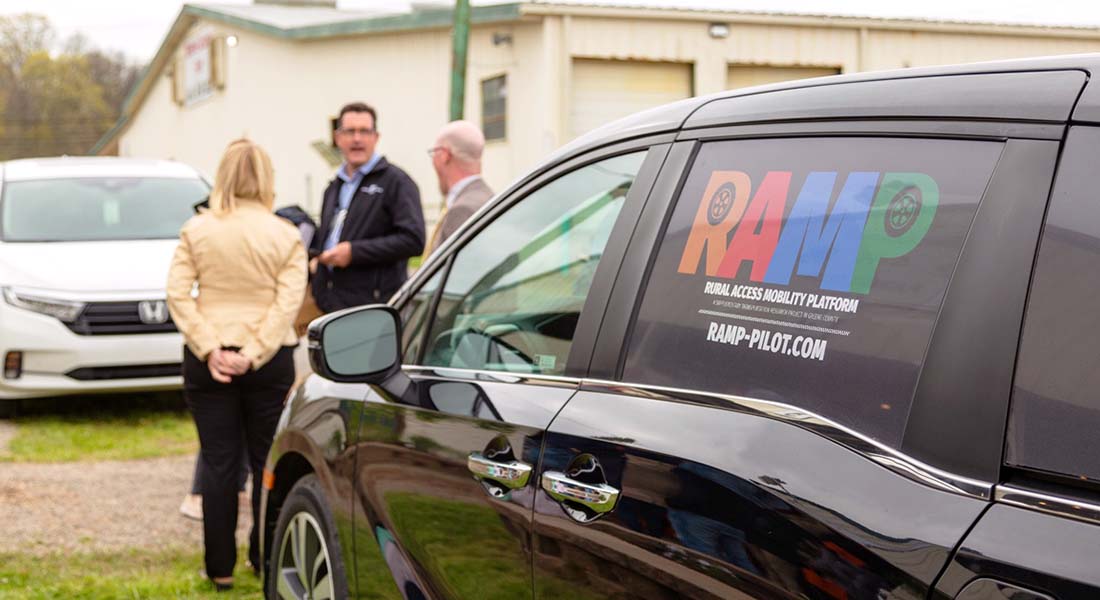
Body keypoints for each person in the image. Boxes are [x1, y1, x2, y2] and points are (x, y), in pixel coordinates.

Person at [166, 139, 307, 592]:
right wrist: (256, 351)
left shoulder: (197, 229)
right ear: (267, 179)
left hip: (208, 360)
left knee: (219, 460)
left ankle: (219, 566)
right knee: (266, 459)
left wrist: (210, 348)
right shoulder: (285, 233)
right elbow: (289, 303)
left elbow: (177, 295)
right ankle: (263, 558)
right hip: (268, 362)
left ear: (222, 176)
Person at [310, 102, 425, 312]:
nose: (357, 139)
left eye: (364, 131)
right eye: (350, 131)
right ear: (338, 138)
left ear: (376, 137)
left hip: (374, 309)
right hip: (332, 306)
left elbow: (413, 240)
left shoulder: (396, 182)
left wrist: (354, 252)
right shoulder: (333, 188)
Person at [426, 120, 494, 254]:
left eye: (434, 153)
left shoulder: (462, 210)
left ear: (445, 155)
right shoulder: (489, 197)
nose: (433, 160)